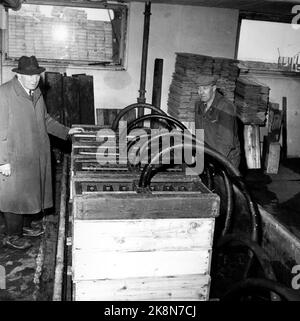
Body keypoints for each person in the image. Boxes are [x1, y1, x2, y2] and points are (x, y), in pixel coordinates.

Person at [0, 55, 83, 250]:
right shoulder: (4, 94)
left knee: (31, 192)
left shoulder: (35, 91)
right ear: (18, 75)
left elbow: (45, 120)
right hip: (14, 154)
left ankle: (25, 227)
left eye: (36, 74)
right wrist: (3, 161)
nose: (34, 79)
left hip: (35, 153)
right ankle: (12, 235)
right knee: (14, 196)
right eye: (29, 75)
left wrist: (66, 131)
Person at [195, 74, 240, 168]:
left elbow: (225, 143)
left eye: (205, 88)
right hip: (208, 155)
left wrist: (213, 163)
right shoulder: (199, 105)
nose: (201, 92)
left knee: (222, 182)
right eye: (199, 88)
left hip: (226, 159)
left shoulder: (226, 107)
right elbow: (199, 132)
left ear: (214, 88)